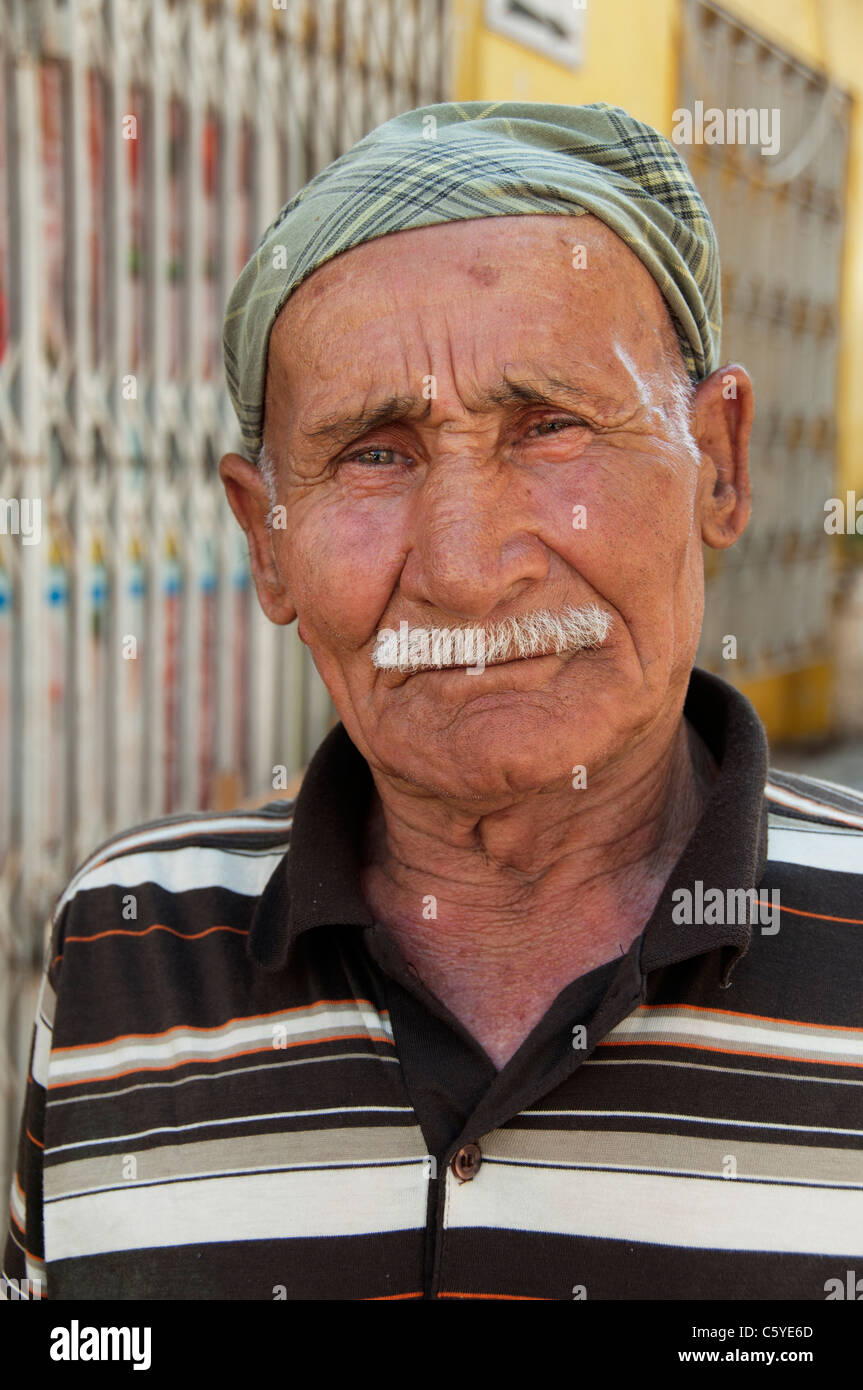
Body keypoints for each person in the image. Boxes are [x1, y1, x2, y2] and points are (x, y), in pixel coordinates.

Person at [5, 102, 862, 1301]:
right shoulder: (130, 943)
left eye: (551, 426)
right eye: (374, 454)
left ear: (717, 461)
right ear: (266, 541)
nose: (465, 566)